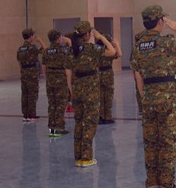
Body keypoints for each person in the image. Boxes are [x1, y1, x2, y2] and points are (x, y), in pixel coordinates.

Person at [131, 5, 176, 188]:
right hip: (167, 99)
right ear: (160, 21)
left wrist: (145, 96)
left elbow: (138, 76)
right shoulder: (167, 42)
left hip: (148, 98)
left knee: (151, 143)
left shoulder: (138, 47)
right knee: (167, 143)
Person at [70, 20, 115, 168]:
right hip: (90, 91)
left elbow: (68, 71)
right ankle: (86, 157)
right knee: (89, 123)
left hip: (77, 89)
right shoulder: (91, 49)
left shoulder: (71, 50)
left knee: (79, 122)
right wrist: (101, 37)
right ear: (87, 34)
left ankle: (78, 157)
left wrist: (71, 90)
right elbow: (112, 51)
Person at [42, 29, 72, 137]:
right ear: (59, 38)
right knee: (60, 104)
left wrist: (47, 78)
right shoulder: (63, 50)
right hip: (61, 80)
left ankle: (52, 128)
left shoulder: (46, 51)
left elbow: (44, 67)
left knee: (52, 104)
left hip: (50, 80)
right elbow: (72, 52)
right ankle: (59, 128)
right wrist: (68, 41)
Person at [17, 28, 45, 122]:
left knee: (25, 94)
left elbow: (19, 62)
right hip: (32, 72)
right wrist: (40, 40)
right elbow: (45, 50)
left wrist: (22, 71)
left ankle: (25, 115)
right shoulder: (32, 48)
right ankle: (32, 115)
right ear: (31, 36)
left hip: (24, 72)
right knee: (32, 94)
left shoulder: (20, 49)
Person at [97, 33, 121, 124]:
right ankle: (107, 117)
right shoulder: (110, 52)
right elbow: (119, 54)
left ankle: (100, 117)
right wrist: (117, 44)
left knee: (100, 96)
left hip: (98, 74)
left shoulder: (96, 51)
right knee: (108, 96)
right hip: (108, 75)